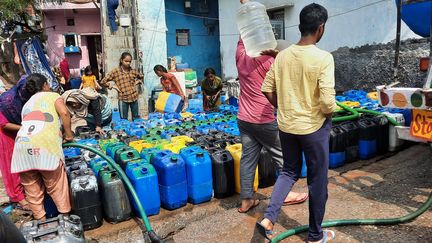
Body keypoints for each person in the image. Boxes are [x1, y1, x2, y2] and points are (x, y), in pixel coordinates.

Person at [257, 4, 336, 242]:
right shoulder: (323, 58)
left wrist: (282, 107)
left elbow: (266, 89)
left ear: (300, 27)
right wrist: (326, 112)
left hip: (287, 126)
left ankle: (269, 217)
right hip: (314, 129)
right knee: (317, 181)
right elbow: (328, 103)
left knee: (289, 171)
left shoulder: (282, 57)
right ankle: (315, 235)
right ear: (320, 29)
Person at [235, 0, 308, 214]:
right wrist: (277, 55)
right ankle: (285, 194)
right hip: (263, 119)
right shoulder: (271, 61)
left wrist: (246, 6)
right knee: (283, 156)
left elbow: (247, 31)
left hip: (243, 118)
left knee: (249, 159)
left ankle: (246, 200)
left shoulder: (240, 56)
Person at [11, 73, 74, 220]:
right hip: (46, 148)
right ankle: (66, 219)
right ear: (45, 85)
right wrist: (69, 135)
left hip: (22, 149)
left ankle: (42, 224)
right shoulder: (52, 96)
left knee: (32, 191)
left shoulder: (26, 105)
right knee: (57, 185)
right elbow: (64, 113)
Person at [0, 75, 36, 211]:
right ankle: (18, 197)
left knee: (26, 162)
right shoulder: (6, 101)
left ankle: (28, 191)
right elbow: (4, 124)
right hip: (6, 134)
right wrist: (26, 128)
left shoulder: (28, 99)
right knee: (12, 166)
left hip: (23, 131)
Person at [100, 52, 143, 120]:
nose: (128, 63)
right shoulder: (116, 72)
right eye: (126, 61)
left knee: (136, 118)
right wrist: (112, 86)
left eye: (130, 61)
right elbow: (102, 82)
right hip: (123, 99)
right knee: (123, 120)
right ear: (121, 60)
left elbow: (141, 76)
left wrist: (137, 82)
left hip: (134, 97)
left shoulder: (133, 71)